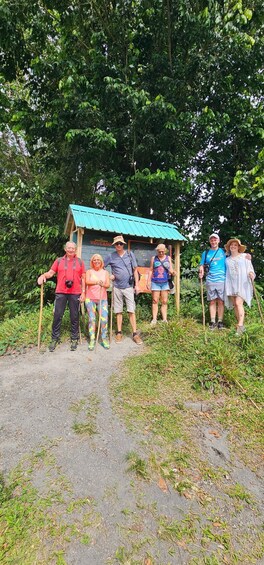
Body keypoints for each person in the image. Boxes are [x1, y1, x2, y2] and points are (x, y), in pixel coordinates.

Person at [37, 241, 86, 351]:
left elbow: (83, 278)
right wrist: (43, 276)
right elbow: (50, 273)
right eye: (68, 248)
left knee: (74, 316)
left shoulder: (80, 262)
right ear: (65, 249)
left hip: (75, 292)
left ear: (75, 249)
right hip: (61, 292)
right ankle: (54, 338)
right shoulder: (59, 261)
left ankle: (74, 338)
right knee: (57, 315)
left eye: (72, 248)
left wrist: (83, 292)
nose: (70, 250)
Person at [104, 235, 143, 345]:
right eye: (117, 244)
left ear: (123, 244)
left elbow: (135, 270)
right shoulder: (111, 256)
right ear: (114, 245)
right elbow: (101, 267)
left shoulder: (130, 255)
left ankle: (135, 334)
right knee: (118, 311)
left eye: (121, 243)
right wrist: (109, 275)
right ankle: (119, 332)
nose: (119, 245)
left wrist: (137, 285)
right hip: (116, 287)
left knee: (131, 310)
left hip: (129, 287)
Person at [224, 238, 255, 335]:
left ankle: (240, 326)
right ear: (229, 247)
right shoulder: (227, 260)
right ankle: (241, 325)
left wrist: (251, 274)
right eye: (231, 245)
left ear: (238, 247)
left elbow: (250, 268)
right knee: (235, 305)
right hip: (231, 284)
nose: (233, 246)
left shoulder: (245, 256)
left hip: (242, 283)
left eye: (235, 245)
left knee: (238, 303)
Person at [199, 233, 226, 330]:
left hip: (222, 280)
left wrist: (247, 255)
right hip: (210, 280)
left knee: (221, 301)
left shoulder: (224, 252)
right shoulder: (205, 253)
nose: (213, 242)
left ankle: (220, 321)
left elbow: (236, 254)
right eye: (212, 240)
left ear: (218, 241)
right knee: (212, 302)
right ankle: (212, 321)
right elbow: (202, 264)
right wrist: (201, 270)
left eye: (215, 240)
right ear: (210, 241)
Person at [85, 254, 110, 351]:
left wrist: (103, 284)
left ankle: (104, 338)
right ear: (92, 262)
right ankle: (92, 339)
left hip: (102, 299)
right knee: (92, 319)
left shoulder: (105, 272)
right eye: (94, 260)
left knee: (104, 319)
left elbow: (107, 284)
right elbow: (87, 281)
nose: (96, 261)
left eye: (98, 260)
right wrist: (96, 282)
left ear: (101, 261)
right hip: (90, 298)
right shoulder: (89, 271)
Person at [146, 243, 175, 325]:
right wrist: (148, 281)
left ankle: (164, 319)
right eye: (159, 252)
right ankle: (154, 319)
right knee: (155, 300)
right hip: (155, 282)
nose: (161, 253)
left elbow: (171, 269)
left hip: (165, 282)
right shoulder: (153, 258)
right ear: (157, 251)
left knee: (164, 301)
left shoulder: (168, 258)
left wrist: (173, 272)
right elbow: (151, 270)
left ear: (165, 251)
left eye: (162, 252)